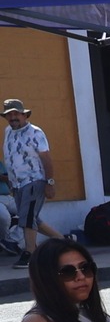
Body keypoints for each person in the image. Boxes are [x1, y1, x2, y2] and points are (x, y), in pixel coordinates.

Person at [3, 97, 60, 267]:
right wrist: (11, 182)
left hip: (34, 181)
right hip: (17, 184)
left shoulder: (35, 132)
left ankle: (30, 254)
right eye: (9, 115)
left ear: (24, 115)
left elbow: (46, 158)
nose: (13, 118)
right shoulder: (8, 131)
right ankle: (62, 241)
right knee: (29, 217)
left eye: (16, 114)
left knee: (27, 218)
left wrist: (49, 182)